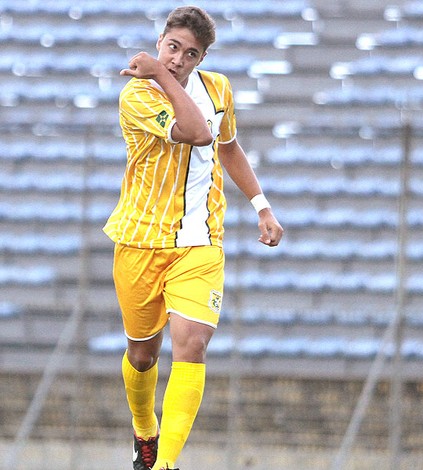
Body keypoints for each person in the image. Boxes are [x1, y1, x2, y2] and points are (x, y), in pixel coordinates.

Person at [103, 6, 284, 470]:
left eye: (191, 53)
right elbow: (195, 132)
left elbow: (224, 144)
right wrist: (163, 77)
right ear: (160, 41)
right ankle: (145, 429)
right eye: (173, 48)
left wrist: (261, 205)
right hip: (141, 241)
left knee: (193, 343)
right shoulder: (136, 95)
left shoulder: (218, 88)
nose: (179, 58)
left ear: (203, 58)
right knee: (142, 355)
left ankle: (162, 465)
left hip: (201, 241)